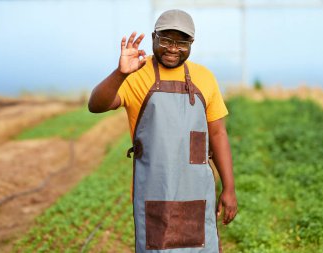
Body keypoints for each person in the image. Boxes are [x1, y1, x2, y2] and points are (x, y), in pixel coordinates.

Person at [88, 9, 237, 253]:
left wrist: (229, 189)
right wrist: (120, 74)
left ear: (191, 44)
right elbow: (96, 105)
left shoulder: (205, 77)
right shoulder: (137, 73)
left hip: (196, 190)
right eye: (166, 39)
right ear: (153, 37)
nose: (173, 48)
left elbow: (218, 134)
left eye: (182, 42)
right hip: (156, 191)